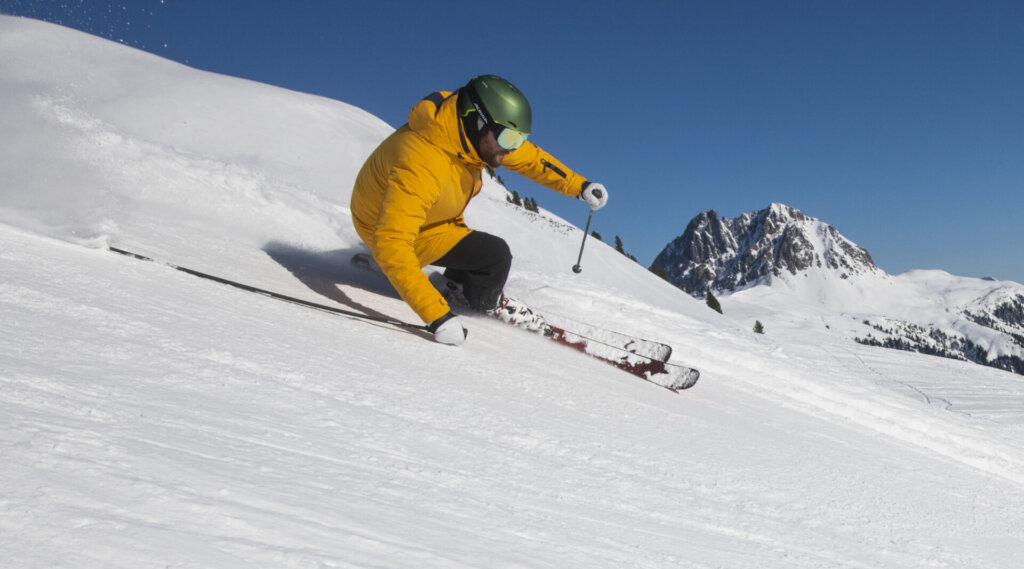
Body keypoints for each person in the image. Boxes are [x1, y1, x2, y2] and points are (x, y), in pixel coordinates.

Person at [351, 75, 608, 346]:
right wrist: (437, 315)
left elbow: (531, 159)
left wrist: (579, 186)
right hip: (386, 230)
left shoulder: (474, 140)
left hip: (433, 224)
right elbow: (391, 242)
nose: (513, 149)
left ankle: (455, 287)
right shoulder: (422, 161)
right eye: (510, 138)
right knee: (495, 256)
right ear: (478, 122)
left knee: (486, 254)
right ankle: (480, 303)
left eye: (520, 138)